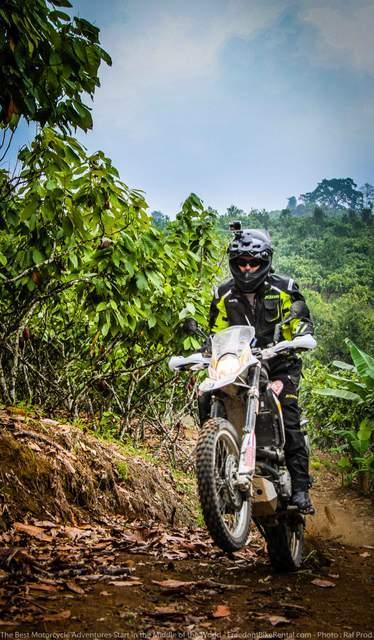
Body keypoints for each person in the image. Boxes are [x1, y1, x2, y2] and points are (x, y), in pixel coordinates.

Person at [199, 227, 315, 514]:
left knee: (287, 414)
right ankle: (215, 471)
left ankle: (300, 489)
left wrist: (299, 335)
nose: (247, 268)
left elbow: (300, 319)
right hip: (240, 366)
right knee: (206, 396)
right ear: (234, 263)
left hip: (279, 365)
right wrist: (203, 353)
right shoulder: (223, 294)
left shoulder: (285, 289)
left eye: (253, 262)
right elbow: (215, 333)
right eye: (241, 262)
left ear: (265, 262)